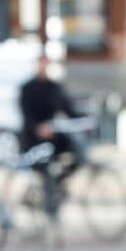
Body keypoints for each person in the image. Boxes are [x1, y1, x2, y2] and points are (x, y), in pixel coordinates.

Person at [19, 54, 84, 222]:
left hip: (53, 138)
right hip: (34, 139)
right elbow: (26, 116)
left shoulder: (54, 87)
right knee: (45, 169)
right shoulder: (27, 88)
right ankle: (50, 209)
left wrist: (85, 119)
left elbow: (68, 109)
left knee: (77, 156)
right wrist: (37, 128)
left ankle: (59, 183)